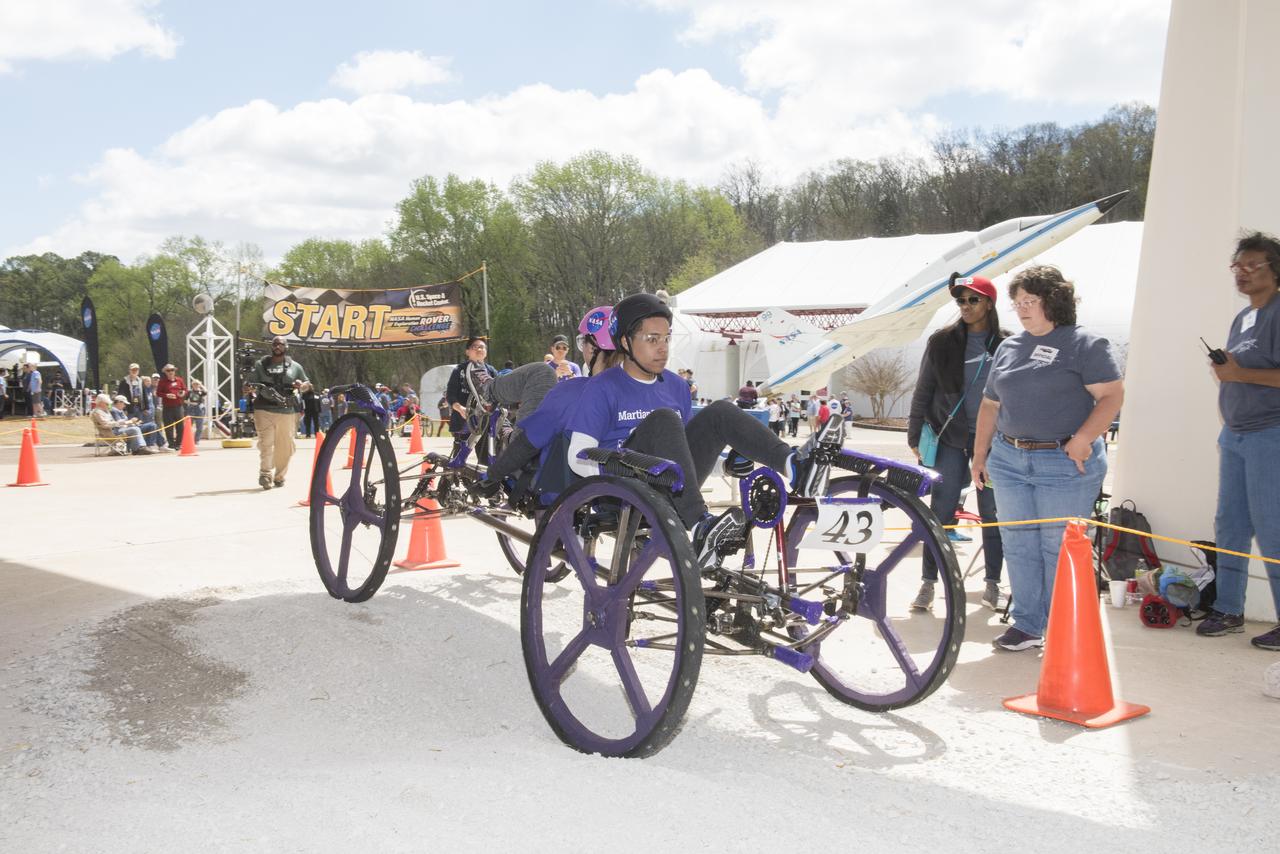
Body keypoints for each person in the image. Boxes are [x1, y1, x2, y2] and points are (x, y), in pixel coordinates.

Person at [567, 294, 843, 567]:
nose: (663, 348)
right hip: (624, 490)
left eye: (666, 339)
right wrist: (619, 471)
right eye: (652, 339)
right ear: (626, 342)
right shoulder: (601, 387)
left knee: (720, 411)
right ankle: (701, 525)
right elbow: (577, 456)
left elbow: (682, 451)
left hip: (671, 486)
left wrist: (724, 467)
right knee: (663, 419)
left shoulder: (675, 386)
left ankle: (795, 465)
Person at [971, 265, 1123, 652]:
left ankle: (1063, 629)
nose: (1021, 309)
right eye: (1017, 302)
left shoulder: (1085, 344)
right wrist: (980, 454)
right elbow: (990, 404)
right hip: (1008, 459)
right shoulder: (1008, 347)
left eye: (1030, 301)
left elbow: (1111, 396)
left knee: (1058, 546)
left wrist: (1084, 438)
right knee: (1018, 543)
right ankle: (1027, 624)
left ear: (1053, 301)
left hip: (1063, 463)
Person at [907, 274, 1008, 612]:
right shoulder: (941, 342)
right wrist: (914, 432)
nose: (965, 306)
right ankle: (928, 583)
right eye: (961, 301)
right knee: (940, 511)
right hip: (949, 437)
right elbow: (923, 390)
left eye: (973, 300)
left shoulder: (1006, 345)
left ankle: (992, 583)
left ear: (989, 304)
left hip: (994, 442)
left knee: (993, 512)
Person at [1200, 231, 1280, 650]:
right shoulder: (1242, 318)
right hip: (1234, 436)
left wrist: (1239, 374)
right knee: (1229, 525)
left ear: (1275, 269)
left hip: (1271, 435)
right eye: (1238, 266)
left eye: (1253, 265)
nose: (1243, 273)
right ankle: (1228, 609)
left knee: (1274, 530)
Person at [245, 335, 310, 489]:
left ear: (286, 346)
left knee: (286, 447)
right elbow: (250, 384)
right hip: (263, 409)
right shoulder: (261, 365)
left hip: (287, 411)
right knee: (266, 443)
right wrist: (248, 388)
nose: (277, 346)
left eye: (280, 344)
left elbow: (307, 384)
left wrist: (302, 385)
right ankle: (265, 474)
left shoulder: (295, 366)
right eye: (274, 344)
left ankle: (279, 476)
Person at [445, 337, 497, 438]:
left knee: (486, 453)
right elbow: (450, 395)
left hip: (485, 421)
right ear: (467, 352)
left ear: (486, 352)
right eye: (475, 347)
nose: (479, 349)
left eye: (482, 347)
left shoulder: (491, 371)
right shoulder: (459, 370)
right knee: (461, 452)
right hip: (463, 420)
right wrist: (460, 409)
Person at [157, 364, 188, 448]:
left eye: (172, 370)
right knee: (169, 427)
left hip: (179, 406)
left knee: (180, 426)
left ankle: (178, 444)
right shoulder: (162, 382)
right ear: (165, 372)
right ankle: (171, 444)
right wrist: (167, 395)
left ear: (174, 371)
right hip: (167, 408)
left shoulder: (179, 380)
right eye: (168, 370)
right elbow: (158, 393)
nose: (170, 372)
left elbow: (185, 389)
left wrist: (183, 393)